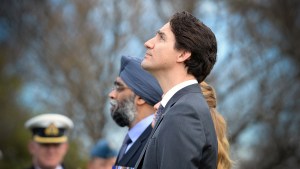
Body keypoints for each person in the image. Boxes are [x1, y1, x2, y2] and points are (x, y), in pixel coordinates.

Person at [135, 11, 218, 169]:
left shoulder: (184, 112)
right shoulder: (179, 109)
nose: (148, 43)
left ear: (183, 54)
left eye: (161, 37)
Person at [108, 55, 163, 168]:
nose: (112, 95)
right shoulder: (132, 140)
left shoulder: (157, 144)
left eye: (119, 87)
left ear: (141, 98)